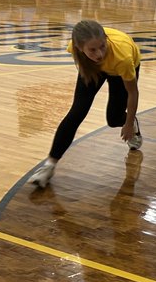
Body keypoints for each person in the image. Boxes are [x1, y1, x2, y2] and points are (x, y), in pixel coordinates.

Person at [27, 20, 142, 189]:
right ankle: (49, 166)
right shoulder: (74, 49)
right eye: (92, 50)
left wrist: (129, 123)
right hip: (95, 69)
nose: (100, 54)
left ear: (106, 39)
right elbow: (89, 67)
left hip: (120, 69)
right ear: (80, 48)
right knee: (77, 112)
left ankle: (133, 123)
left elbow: (133, 92)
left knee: (113, 118)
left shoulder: (122, 56)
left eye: (102, 46)